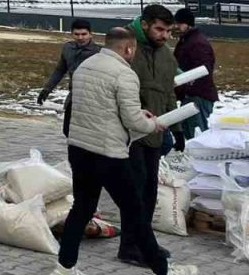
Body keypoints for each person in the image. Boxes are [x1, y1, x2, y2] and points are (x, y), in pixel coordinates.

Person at [53, 27, 196, 275]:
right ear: (129, 48)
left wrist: (137, 114)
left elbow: (100, 107)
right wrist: (154, 124)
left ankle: (64, 266)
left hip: (79, 148)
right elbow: (133, 122)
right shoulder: (124, 74)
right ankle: (162, 269)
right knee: (135, 214)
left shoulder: (85, 66)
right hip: (109, 155)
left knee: (82, 208)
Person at [119, 4, 179, 268]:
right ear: (144, 24)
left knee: (149, 189)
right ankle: (130, 247)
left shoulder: (166, 55)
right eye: (159, 29)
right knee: (135, 189)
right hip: (128, 132)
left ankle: (145, 241)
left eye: (168, 31)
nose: (165, 35)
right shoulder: (125, 48)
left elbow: (168, 93)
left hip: (156, 131)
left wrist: (177, 128)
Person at [37, 18, 100, 137]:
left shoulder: (98, 52)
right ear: (72, 34)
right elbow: (60, 70)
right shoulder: (68, 48)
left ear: (91, 34)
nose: (80, 38)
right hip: (74, 95)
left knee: (87, 133)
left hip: (92, 98)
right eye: (76, 34)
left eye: (84, 34)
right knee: (68, 130)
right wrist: (47, 89)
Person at [173, 7, 217, 139]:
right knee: (190, 132)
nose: (177, 26)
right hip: (192, 94)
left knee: (198, 135)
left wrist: (187, 87)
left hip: (198, 96)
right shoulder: (189, 40)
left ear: (187, 24)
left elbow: (203, 71)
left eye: (179, 23)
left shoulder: (196, 43)